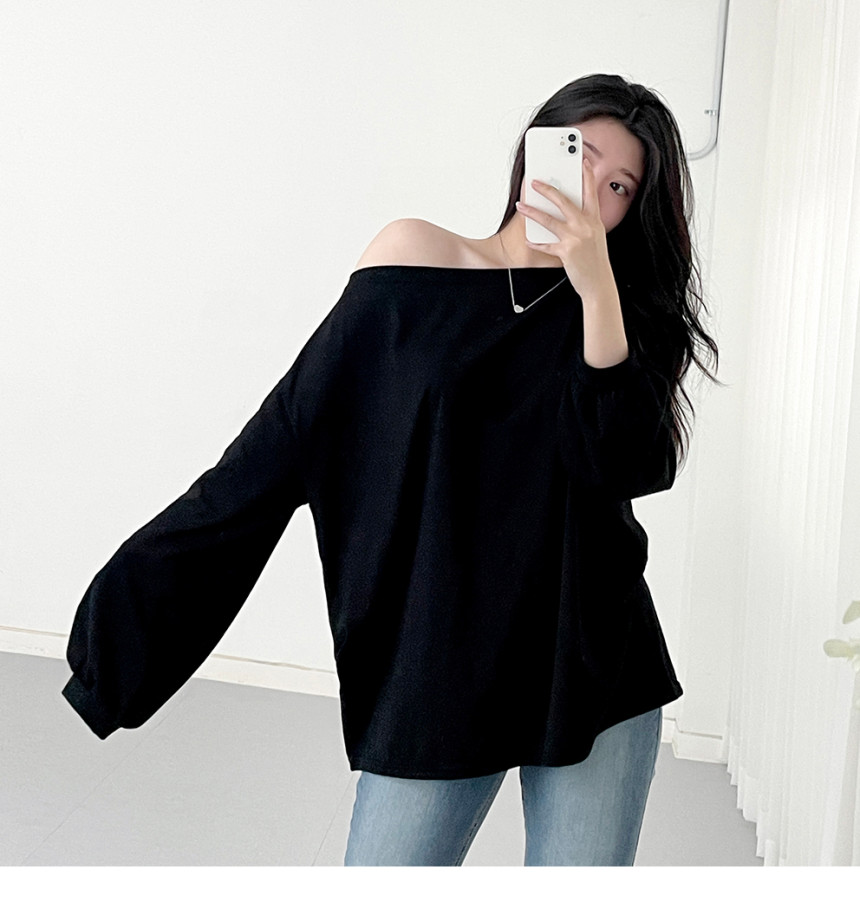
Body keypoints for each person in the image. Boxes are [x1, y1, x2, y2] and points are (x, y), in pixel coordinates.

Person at [61, 73, 720, 866]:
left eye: (617, 186)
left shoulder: (620, 315)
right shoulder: (415, 257)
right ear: (535, 150)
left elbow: (625, 466)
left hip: (593, 657)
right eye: (580, 157)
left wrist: (596, 293)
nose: (590, 191)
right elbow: (277, 449)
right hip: (440, 664)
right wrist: (122, 632)